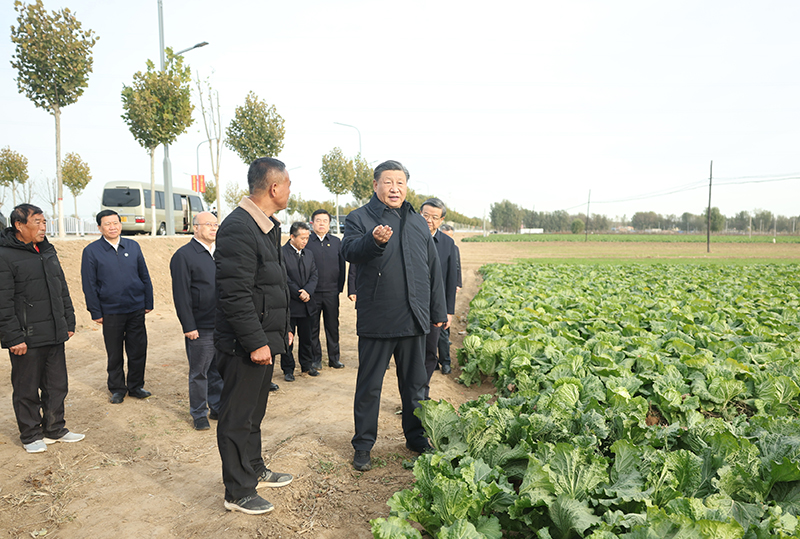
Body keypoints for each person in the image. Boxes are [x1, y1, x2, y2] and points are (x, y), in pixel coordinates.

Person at [341, 160, 447, 472]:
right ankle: (363, 445)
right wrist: (373, 241)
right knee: (369, 386)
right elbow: (349, 251)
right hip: (378, 318)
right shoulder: (359, 218)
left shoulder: (416, 221)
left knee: (414, 385)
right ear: (375, 185)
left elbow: (433, 269)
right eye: (388, 182)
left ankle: (415, 438)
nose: (395, 188)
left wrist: (438, 310)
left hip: (414, 318)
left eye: (400, 182)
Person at [214, 157, 294, 515]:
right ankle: (238, 491)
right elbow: (235, 294)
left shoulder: (266, 225)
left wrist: (283, 328)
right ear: (274, 188)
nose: (290, 191)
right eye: (288, 185)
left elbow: (274, 284)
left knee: (254, 413)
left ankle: (254, 468)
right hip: (244, 344)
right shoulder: (238, 227)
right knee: (236, 417)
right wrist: (256, 341)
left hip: (265, 337)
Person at [0, 204, 84, 454]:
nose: (43, 227)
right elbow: (2, 301)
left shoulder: (46, 250)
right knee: (26, 388)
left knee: (57, 385)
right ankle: (30, 434)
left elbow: (62, 288)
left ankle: (55, 428)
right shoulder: (5, 255)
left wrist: (68, 321)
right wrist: (13, 336)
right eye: (37, 222)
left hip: (54, 332)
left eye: (44, 222)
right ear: (19, 225)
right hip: (26, 337)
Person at [81, 210, 153, 404]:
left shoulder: (133, 246)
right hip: (110, 310)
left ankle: (136, 386)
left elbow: (144, 275)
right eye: (107, 224)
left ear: (120, 224)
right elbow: (89, 284)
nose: (112, 227)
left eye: (115, 223)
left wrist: (148, 301)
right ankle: (117, 389)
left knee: (138, 350)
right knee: (114, 353)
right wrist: (95, 311)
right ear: (99, 228)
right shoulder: (92, 251)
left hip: (136, 307)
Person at [169, 211, 224, 430]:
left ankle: (218, 406)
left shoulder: (221, 253)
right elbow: (181, 294)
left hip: (221, 323)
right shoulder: (184, 255)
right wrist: (188, 325)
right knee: (199, 372)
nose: (213, 228)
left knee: (218, 369)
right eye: (208, 224)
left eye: (216, 224)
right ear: (196, 227)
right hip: (200, 326)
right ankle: (199, 413)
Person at [419, 199, 459, 395]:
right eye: (425, 215)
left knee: (429, 353)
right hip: (410, 306)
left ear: (441, 220)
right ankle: (411, 394)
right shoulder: (408, 237)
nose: (429, 220)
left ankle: (422, 392)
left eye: (435, 217)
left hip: (435, 307)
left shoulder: (448, 244)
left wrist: (448, 311)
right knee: (411, 354)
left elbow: (451, 281)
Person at [305, 209, 346, 370]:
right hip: (312, 293)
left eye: (325, 221)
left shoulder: (336, 242)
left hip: (331, 292)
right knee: (312, 326)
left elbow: (342, 267)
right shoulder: (307, 241)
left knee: (332, 326)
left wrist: (339, 288)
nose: (321, 223)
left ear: (329, 224)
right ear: (312, 223)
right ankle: (316, 359)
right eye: (318, 220)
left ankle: (334, 358)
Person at [280, 221, 319, 381]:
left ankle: (307, 365)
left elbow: (314, 274)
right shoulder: (281, 253)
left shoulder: (308, 254)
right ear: (292, 237)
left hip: (307, 304)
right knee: (288, 339)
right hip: (290, 304)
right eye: (302, 238)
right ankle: (288, 369)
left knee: (307, 337)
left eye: (307, 238)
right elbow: (284, 278)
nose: (305, 241)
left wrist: (308, 291)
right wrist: (298, 292)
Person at [437, 223, 461, 373]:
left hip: (445, 293)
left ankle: (445, 362)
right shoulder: (431, 245)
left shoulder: (453, 248)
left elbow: (456, 268)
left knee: (443, 331)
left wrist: (457, 283)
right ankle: (432, 362)